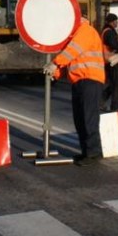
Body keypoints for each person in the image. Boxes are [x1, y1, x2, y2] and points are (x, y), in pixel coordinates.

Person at [44, 17, 105, 166]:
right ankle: (86, 152)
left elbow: (72, 51)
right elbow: (70, 61)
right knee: (80, 119)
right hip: (79, 81)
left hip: (90, 80)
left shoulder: (85, 30)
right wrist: (56, 73)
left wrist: (55, 63)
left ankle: (93, 153)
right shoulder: (75, 35)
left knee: (88, 118)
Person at [100, 13, 118, 112]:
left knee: (113, 84)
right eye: (116, 21)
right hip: (112, 61)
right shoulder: (109, 32)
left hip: (108, 61)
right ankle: (115, 108)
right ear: (111, 22)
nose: (117, 23)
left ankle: (100, 101)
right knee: (117, 84)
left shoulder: (106, 30)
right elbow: (114, 44)